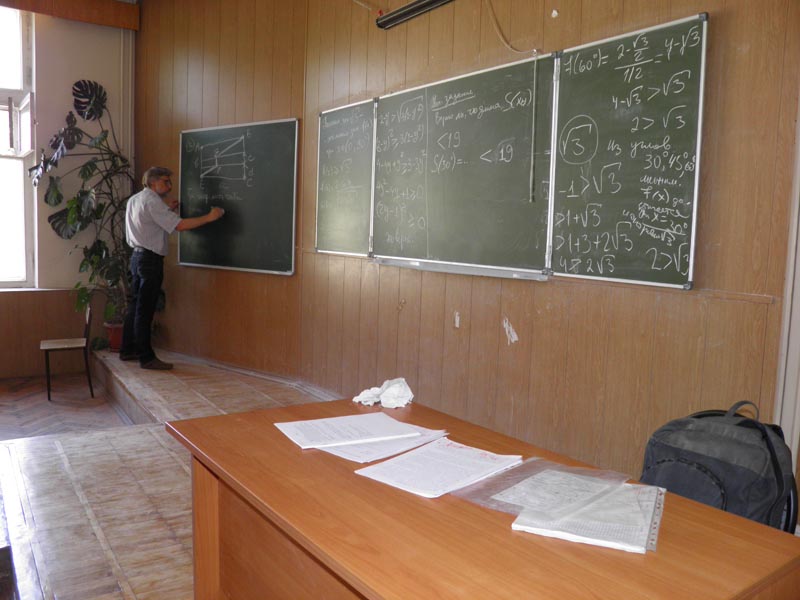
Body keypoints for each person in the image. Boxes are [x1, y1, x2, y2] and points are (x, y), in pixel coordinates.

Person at [120, 166, 224, 370]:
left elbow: (149, 223)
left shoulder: (136, 199)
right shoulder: (152, 201)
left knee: (135, 306)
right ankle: (146, 357)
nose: (170, 186)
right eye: (165, 181)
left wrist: (168, 211)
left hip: (136, 258)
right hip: (149, 260)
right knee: (145, 309)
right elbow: (180, 226)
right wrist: (209, 217)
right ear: (152, 183)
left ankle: (127, 349)